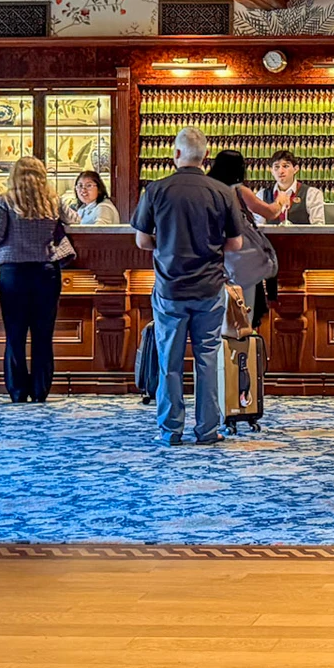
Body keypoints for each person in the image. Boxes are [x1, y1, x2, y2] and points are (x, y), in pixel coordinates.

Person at [132, 128, 246, 446]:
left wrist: (165, 242)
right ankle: (207, 430)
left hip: (170, 288)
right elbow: (235, 243)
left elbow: (141, 240)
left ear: (176, 154)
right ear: (205, 157)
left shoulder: (156, 190)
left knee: (169, 360)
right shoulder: (222, 192)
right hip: (210, 288)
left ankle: (171, 430)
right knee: (207, 358)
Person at [0, 155, 67, 404]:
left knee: (15, 334)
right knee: (43, 334)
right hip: (46, 272)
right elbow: (75, 222)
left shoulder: (4, 201)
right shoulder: (53, 202)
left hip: (13, 273)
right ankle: (40, 391)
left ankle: (17, 391)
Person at [207, 150, 284, 325]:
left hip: (211, 261)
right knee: (242, 315)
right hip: (239, 260)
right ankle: (241, 348)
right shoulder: (238, 190)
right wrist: (281, 201)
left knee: (217, 318)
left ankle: (221, 350)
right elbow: (269, 212)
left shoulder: (206, 189)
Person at [266, 149, 326, 225]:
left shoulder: (312, 194)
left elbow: (318, 227)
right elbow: (257, 228)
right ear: (271, 170)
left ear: (295, 169)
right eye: (276, 167)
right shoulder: (262, 195)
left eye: (285, 166)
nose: (281, 171)